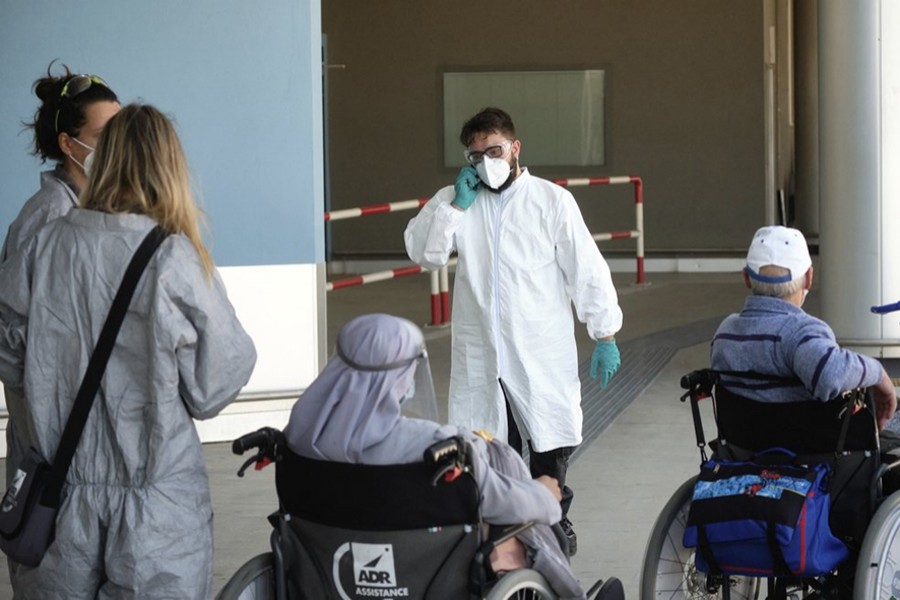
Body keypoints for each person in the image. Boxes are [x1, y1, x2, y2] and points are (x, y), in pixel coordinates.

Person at [0, 104, 257, 599]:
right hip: (156, 513)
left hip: (59, 502)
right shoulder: (174, 257)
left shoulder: (46, 242)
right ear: (170, 168)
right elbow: (215, 386)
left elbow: (9, 357)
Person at [404, 107, 623, 553]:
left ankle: (554, 520)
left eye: (495, 150)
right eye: (475, 154)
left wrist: (605, 333)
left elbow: (587, 270)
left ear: (515, 148)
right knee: (483, 449)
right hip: (481, 353)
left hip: (538, 350)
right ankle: (495, 536)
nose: (486, 161)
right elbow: (423, 253)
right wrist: (453, 209)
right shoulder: (455, 199)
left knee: (550, 446)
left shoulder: (550, 201)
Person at [284, 313, 624, 600]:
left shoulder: (297, 438)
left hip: (331, 568)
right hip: (421, 574)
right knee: (524, 527)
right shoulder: (437, 446)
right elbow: (502, 500)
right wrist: (547, 496)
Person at [710, 225, 896, 428]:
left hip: (741, 451)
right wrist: (877, 372)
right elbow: (830, 375)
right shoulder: (800, 333)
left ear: (746, 277)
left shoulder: (725, 333)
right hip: (808, 453)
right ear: (808, 278)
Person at [2, 64, 120, 261]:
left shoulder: (95, 205)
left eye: (119, 133)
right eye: (102, 136)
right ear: (67, 144)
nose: (116, 145)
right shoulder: (53, 212)